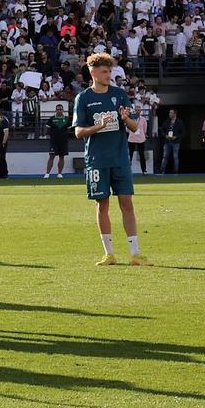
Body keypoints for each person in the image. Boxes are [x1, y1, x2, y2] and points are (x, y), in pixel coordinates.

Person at [73, 52, 147, 267]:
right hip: (97, 160)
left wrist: (126, 118)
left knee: (127, 202)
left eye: (110, 71)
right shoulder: (84, 98)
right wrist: (99, 126)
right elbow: (78, 132)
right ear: (93, 72)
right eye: (104, 71)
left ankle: (135, 253)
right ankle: (109, 254)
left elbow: (134, 127)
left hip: (120, 158)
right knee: (102, 204)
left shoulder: (119, 94)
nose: (108, 75)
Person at [44, 103, 73, 179]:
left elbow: (69, 129)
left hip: (63, 141)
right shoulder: (52, 119)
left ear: (63, 110)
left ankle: (59, 173)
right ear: (55, 110)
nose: (59, 111)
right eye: (58, 109)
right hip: (54, 141)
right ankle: (47, 173)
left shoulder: (67, 119)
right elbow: (47, 129)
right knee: (51, 156)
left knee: (62, 157)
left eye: (60, 109)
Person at [159, 109, 184, 174]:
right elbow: (162, 130)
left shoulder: (179, 122)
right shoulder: (166, 121)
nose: (169, 114)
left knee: (175, 157)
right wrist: (165, 136)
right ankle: (162, 170)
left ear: (174, 114)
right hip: (167, 141)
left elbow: (183, 132)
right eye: (169, 113)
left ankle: (176, 171)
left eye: (171, 113)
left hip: (176, 142)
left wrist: (176, 137)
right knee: (165, 156)